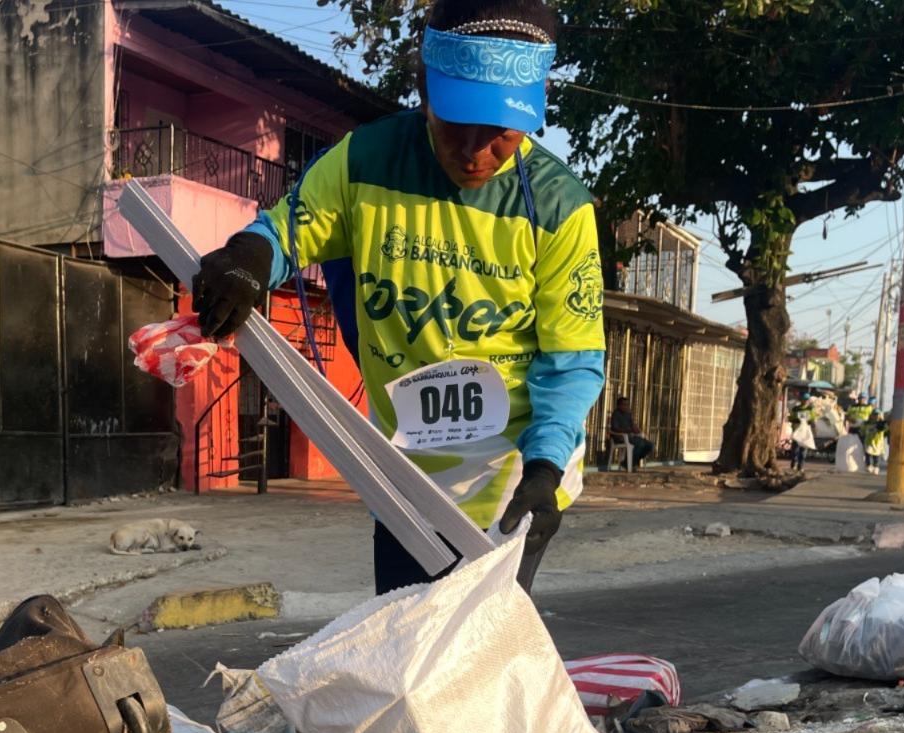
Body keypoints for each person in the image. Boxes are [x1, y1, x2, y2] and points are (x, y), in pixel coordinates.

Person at [191, 0, 604, 596]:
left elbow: (570, 362)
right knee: (404, 643)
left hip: (511, 479)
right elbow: (288, 228)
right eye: (456, 125)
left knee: (472, 657)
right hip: (405, 478)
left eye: (502, 136)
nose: (475, 153)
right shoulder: (366, 162)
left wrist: (542, 470)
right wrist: (249, 258)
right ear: (423, 89)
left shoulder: (558, 207)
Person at [603, 396, 653, 470]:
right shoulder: (616, 414)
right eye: (624, 404)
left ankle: (630, 462)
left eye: (627, 404)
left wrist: (636, 429)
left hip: (631, 436)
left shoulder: (628, 414)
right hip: (620, 437)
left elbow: (633, 425)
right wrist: (628, 430)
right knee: (640, 444)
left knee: (650, 445)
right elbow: (615, 428)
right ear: (619, 405)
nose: (626, 406)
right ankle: (629, 463)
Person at [788, 390, 816, 471]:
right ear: (801, 400)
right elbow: (791, 418)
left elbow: (813, 419)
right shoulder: (796, 409)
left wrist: (813, 428)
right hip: (797, 432)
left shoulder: (810, 409)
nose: (805, 401)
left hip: (805, 432)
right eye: (804, 399)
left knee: (803, 450)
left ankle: (800, 466)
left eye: (807, 400)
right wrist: (796, 420)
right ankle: (794, 463)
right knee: (795, 450)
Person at [860, 409, 887, 474]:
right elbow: (862, 431)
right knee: (868, 454)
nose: (876, 416)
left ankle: (876, 466)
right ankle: (868, 465)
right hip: (868, 441)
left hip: (878, 443)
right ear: (871, 415)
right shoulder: (866, 423)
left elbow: (885, 430)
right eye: (875, 415)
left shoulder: (881, 424)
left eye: (878, 415)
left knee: (876, 456)